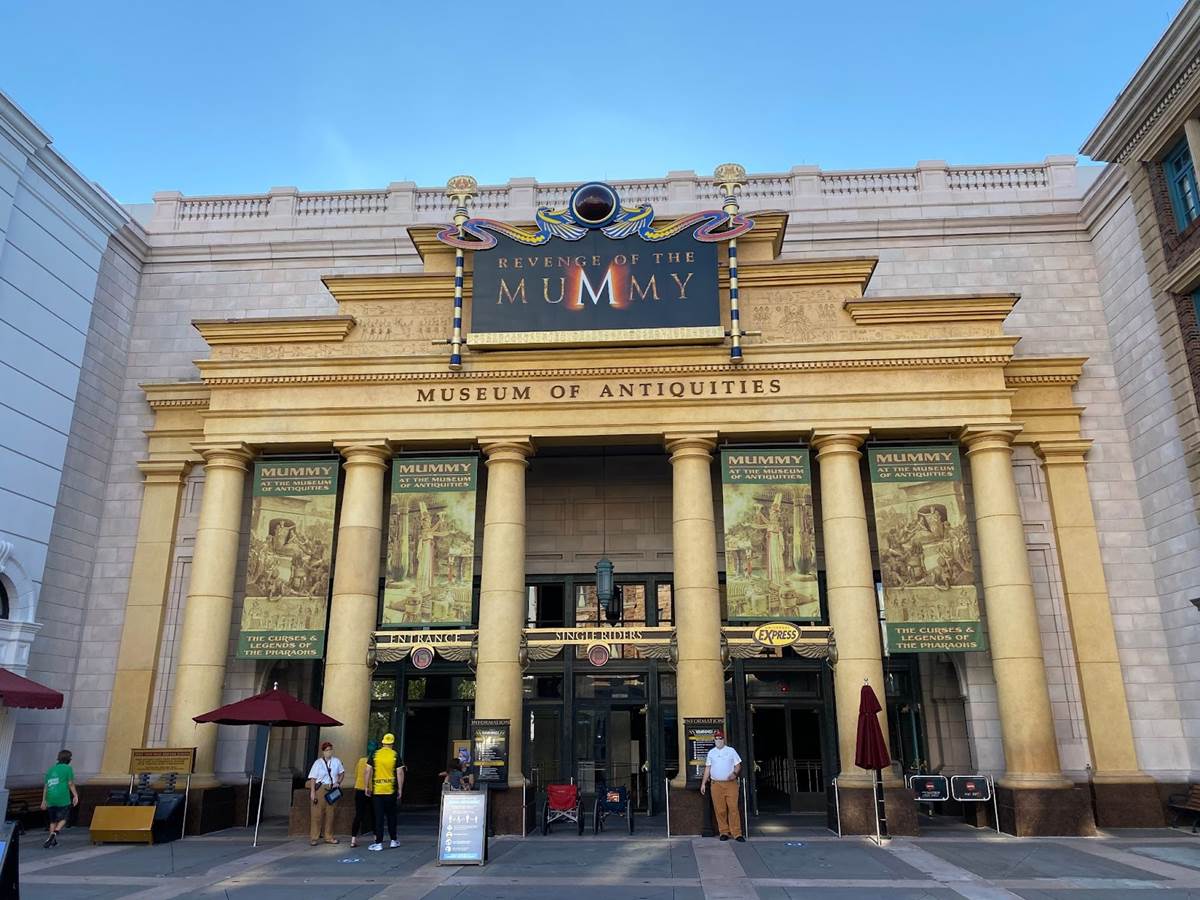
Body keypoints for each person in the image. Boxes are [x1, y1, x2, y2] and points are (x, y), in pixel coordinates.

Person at [700, 729, 744, 842]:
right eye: (716, 738)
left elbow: (738, 765)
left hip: (731, 784)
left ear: (724, 739)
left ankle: (737, 833)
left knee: (733, 808)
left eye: (720, 738)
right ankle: (723, 832)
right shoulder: (711, 753)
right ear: (714, 740)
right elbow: (708, 768)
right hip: (716, 785)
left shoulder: (731, 751)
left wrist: (734, 774)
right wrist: (703, 783)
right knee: (720, 810)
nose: (719, 740)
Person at [365, 732, 405, 851]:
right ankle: (393, 840)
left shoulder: (375, 754)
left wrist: (366, 786)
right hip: (390, 791)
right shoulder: (395, 755)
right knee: (392, 816)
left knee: (379, 817)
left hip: (377, 791)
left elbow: (367, 770)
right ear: (392, 744)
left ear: (383, 743)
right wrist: (400, 789)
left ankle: (378, 843)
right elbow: (400, 772)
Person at [306, 740, 345, 846]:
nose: (329, 752)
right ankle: (314, 837)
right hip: (320, 789)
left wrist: (338, 782)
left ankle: (329, 836)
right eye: (327, 750)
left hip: (332, 789)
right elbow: (313, 778)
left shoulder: (336, 761)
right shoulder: (318, 763)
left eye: (330, 750)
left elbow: (342, 773)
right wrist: (313, 792)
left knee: (330, 814)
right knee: (316, 814)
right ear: (323, 751)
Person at [40, 749, 78, 848]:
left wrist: (44, 801)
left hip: (50, 798)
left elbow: (46, 786)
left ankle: (52, 841)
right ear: (68, 759)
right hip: (62, 797)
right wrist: (75, 795)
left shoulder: (50, 769)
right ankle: (54, 833)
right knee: (64, 818)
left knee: (53, 821)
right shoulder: (68, 768)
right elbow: (70, 783)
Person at [350, 740, 377, 848]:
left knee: (359, 815)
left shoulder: (361, 761)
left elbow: (356, 774)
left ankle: (353, 839)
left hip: (360, 789)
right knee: (374, 815)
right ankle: (376, 838)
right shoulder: (375, 761)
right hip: (372, 790)